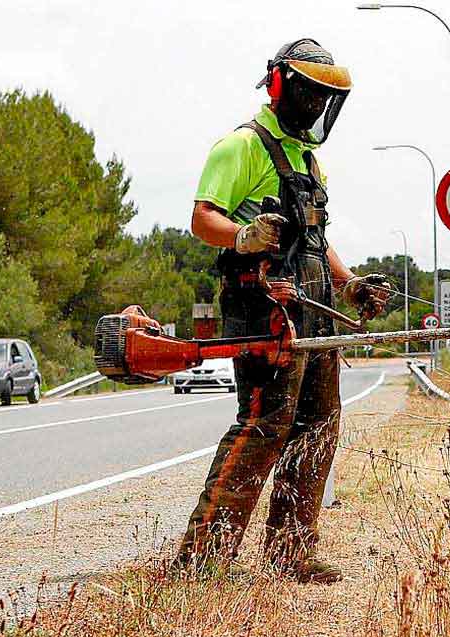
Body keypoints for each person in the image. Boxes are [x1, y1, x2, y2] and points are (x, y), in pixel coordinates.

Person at [176, 38, 391, 583]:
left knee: (319, 426)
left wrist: (349, 285)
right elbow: (202, 220)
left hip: (313, 306)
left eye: (324, 97)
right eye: (309, 93)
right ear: (279, 85)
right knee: (264, 424)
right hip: (264, 306)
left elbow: (317, 239)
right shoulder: (241, 147)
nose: (316, 105)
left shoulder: (309, 160)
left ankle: (290, 552)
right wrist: (243, 236)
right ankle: (201, 562)